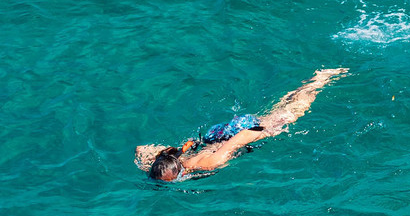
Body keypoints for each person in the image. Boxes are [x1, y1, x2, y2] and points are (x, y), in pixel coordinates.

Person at [134, 67, 344, 184]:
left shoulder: (209, 163)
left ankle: (321, 80)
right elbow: (141, 149)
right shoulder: (164, 160)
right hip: (215, 135)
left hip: (239, 132)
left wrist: (269, 132)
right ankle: (308, 84)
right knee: (279, 110)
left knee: (290, 115)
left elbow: (241, 138)